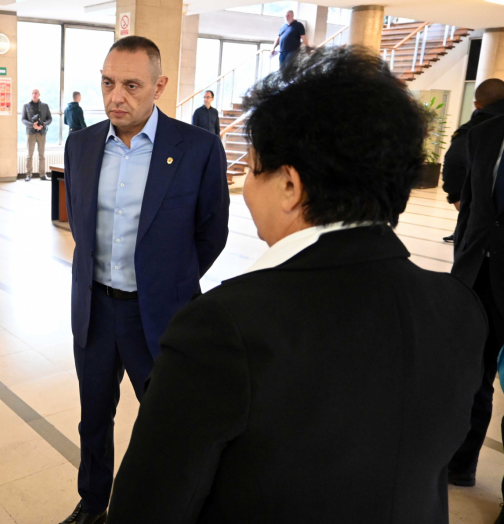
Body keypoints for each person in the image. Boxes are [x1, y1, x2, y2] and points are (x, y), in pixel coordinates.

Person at [106, 46, 486, 524]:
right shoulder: (457, 307)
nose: (246, 187)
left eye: (252, 168)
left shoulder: (222, 328)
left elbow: (148, 507)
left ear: (290, 186)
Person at [61, 35, 230, 524]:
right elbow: (81, 224)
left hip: (157, 313)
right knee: (94, 418)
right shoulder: (82, 144)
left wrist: (168, 281)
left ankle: (162, 510)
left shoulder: (197, 148)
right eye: (108, 83)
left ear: (159, 86)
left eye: (131, 85)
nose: (116, 97)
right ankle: (93, 503)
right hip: (94, 310)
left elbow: (211, 232)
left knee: (166, 423)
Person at [448, 77, 504, 516]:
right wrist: (461, 269)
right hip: (478, 276)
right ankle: (461, 465)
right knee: (471, 377)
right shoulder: (485, 134)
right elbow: (470, 208)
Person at [442, 78, 504, 243]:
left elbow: (454, 162)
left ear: (477, 105)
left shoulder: (474, 129)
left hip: (485, 220)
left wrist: (455, 197)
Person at [22, 88, 52, 181]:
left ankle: (42, 175)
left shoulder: (45, 106)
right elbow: (23, 119)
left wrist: (43, 124)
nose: (34, 95)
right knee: (29, 155)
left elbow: (50, 118)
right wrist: (32, 125)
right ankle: (28, 175)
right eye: (32, 93)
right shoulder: (26, 106)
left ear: (39, 94)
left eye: (36, 93)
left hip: (42, 133)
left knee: (41, 155)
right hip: (30, 133)